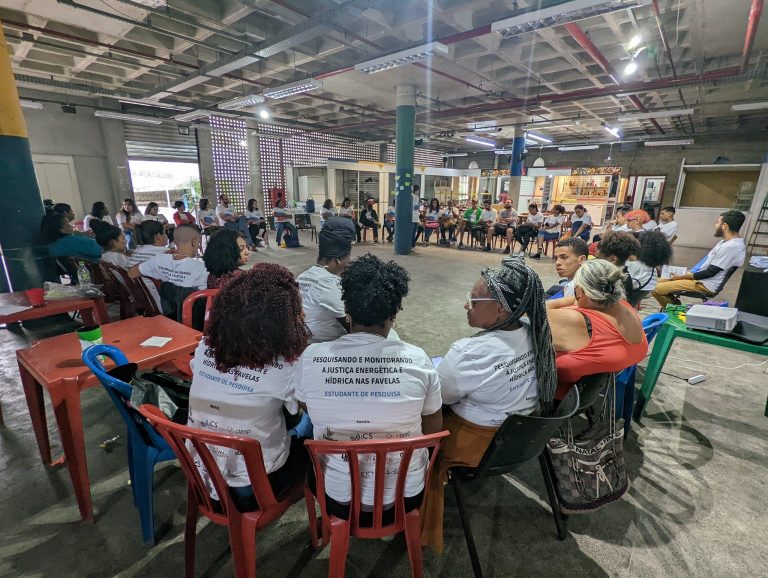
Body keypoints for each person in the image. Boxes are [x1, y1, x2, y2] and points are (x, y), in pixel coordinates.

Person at [291, 254, 442, 524]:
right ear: (394, 314)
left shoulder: (312, 357)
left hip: (337, 500)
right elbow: (433, 431)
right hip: (406, 496)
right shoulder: (419, 359)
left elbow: (309, 409)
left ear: (346, 308)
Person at [421, 257, 558, 552]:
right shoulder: (535, 332)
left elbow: (437, 400)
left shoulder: (470, 352)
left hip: (476, 443)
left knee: (416, 416)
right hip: (520, 436)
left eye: (473, 300)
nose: (466, 305)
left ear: (499, 309)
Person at [187, 265, 310, 512]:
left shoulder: (206, 348)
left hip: (201, 477)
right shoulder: (288, 365)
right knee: (313, 422)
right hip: (253, 489)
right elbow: (318, 410)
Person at [547, 259, 647, 394]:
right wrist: (580, 296)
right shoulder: (623, 305)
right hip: (601, 382)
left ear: (581, 291)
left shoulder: (578, 321)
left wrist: (571, 299)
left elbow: (537, 311)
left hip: (560, 393)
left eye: (576, 291)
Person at [652, 210, 746, 308]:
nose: (715, 225)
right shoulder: (726, 243)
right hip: (699, 278)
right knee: (654, 282)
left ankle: (676, 311)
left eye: (718, 223)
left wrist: (682, 276)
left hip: (704, 284)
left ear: (724, 226)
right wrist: (687, 273)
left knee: (655, 288)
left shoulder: (731, 247)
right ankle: (675, 306)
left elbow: (710, 272)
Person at [296, 217, 356, 343]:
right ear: (339, 259)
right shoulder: (330, 285)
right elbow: (354, 329)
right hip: (324, 350)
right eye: (348, 257)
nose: (349, 262)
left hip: (301, 344)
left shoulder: (302, 277)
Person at [128, 224, 207, 291]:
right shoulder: (202, 269)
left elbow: (131, 273)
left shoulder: (158, 260)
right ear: (194, 241)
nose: (199, 246)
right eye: (199, 242)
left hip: (163, 306)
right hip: (188, 308)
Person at [546, 237, 589, 301]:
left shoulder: (577, 289)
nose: (557, 262)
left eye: (564, 257)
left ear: (582, 259)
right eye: (556, 258)